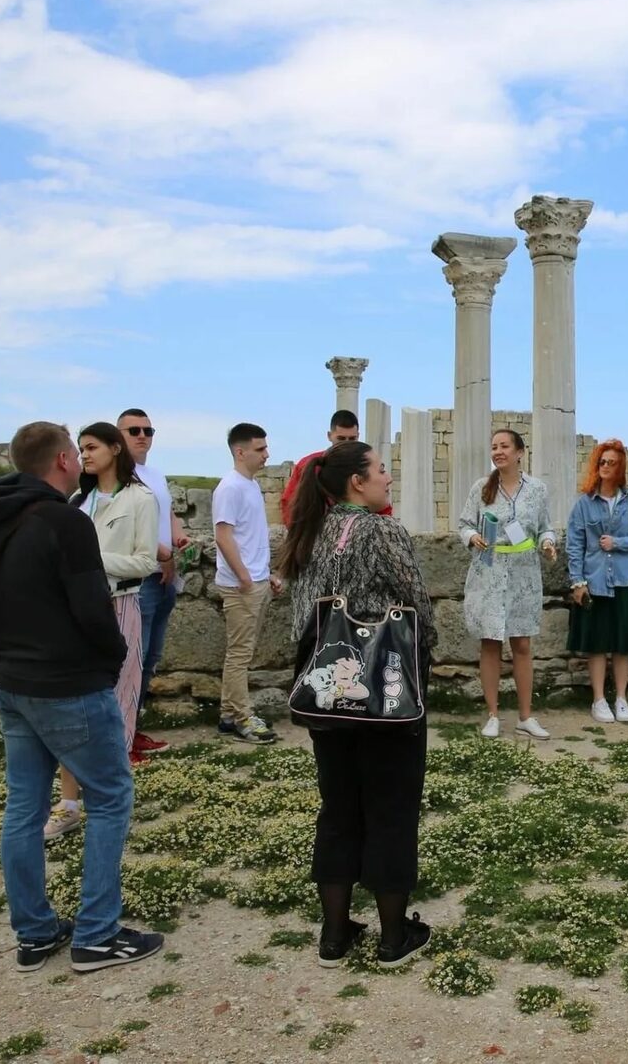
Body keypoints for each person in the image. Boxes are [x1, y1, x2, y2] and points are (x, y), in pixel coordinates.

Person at [0, 421, 162, 973]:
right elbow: (92, 606)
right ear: (61, 461)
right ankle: (97, 935)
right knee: (111, 796)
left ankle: (34, 933)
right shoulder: (65, 520)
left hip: (11, 681)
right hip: (68, 682)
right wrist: (112, 658)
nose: (78, 459)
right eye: (75, 451)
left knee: (23, 807)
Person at [279, 441, 437, 969]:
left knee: (339, 806)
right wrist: (426, 656)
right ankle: (393, 937)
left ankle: (334, 935)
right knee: (392, 806)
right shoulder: (382, 531)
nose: (388, 478)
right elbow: (417, 603)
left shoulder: (309, 531)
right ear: (356, 482)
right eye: (381, 470)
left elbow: (300, 616)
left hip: (326, 691)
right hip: (383, 690)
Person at [44, 424, 160, 840]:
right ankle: (68, 804)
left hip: (119, 606)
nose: (85, 455)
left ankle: (111, 802)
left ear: (115, 448)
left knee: (117, 704)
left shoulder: (141, 498)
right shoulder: (78, 501)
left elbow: (146, 562)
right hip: (75, 609)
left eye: (92, 447)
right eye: (81, 449)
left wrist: (90, 559)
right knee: (74, 702)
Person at [457, 429, 559, 740]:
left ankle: (526, 716)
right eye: (494, 447)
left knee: (522, 644)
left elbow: (545, 527)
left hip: (524, 573)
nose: (498, 451)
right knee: (490, 642)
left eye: (504, 446)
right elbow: (464, 524)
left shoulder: (537, 489)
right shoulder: (481, 487)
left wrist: (548, 543)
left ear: (519, 452)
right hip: (489, 570)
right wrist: (472, 537)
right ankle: (492, 715)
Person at [118, 408, 190, 757]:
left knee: (151, 656)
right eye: (133, 430)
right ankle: (122, 736)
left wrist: (178, 537)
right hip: (140, 576)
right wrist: (162, 553)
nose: (142, 436)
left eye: (148, 430)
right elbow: (126, 526)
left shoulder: (155, 474)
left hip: (164, 576)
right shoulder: (119, 477)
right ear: (118, 436)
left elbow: (168, 513)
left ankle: (131, 728)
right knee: (134, 656)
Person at [567, 441, 628, 723]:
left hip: (624, 580)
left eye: (611, 462)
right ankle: (599, 699)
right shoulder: (584, 504)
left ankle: (622, 698)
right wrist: (577, 582)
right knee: (597, 643)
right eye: (602, 461)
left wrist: (617, 543)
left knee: (622, 644)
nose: (605, 466)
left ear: (620, 467)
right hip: (595, 581)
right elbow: (575, 544)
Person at [212, 422, 282, 745]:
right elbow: (223, 535)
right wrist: (244, 577)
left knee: (243, 652)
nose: (266, 454)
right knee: (240, 654)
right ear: (240, 452)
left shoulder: (250, 485)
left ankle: (229, 716)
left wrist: (265, 574)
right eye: (260, 449)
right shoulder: (230, 488)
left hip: (255, 580)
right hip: (242, 586)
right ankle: (242, 718)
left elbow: (249, 537)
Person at [280, 410, 388, 527]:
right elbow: (289, 503)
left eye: (352, 439)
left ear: (358, 436)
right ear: (329, 436)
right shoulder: (309, 464)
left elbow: (381, 503)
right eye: (341, 438)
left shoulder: (367, 465)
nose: (346, 444)